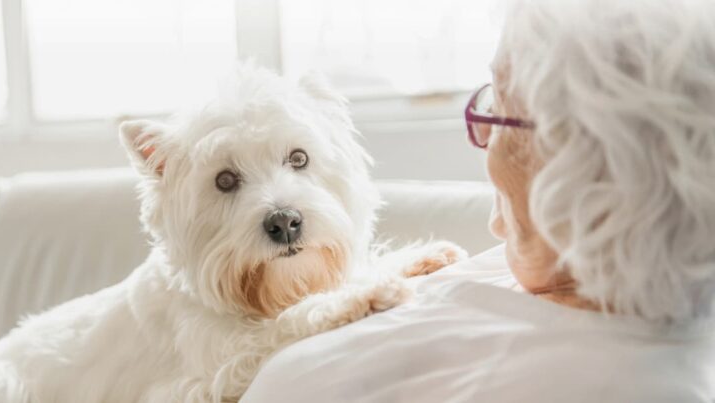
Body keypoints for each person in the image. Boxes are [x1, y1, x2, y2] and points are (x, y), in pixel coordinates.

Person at [241, 0, 715, 401]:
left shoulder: (598, 377)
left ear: (584, 166)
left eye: (500, 108)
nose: (483, 134)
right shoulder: (566, 262)